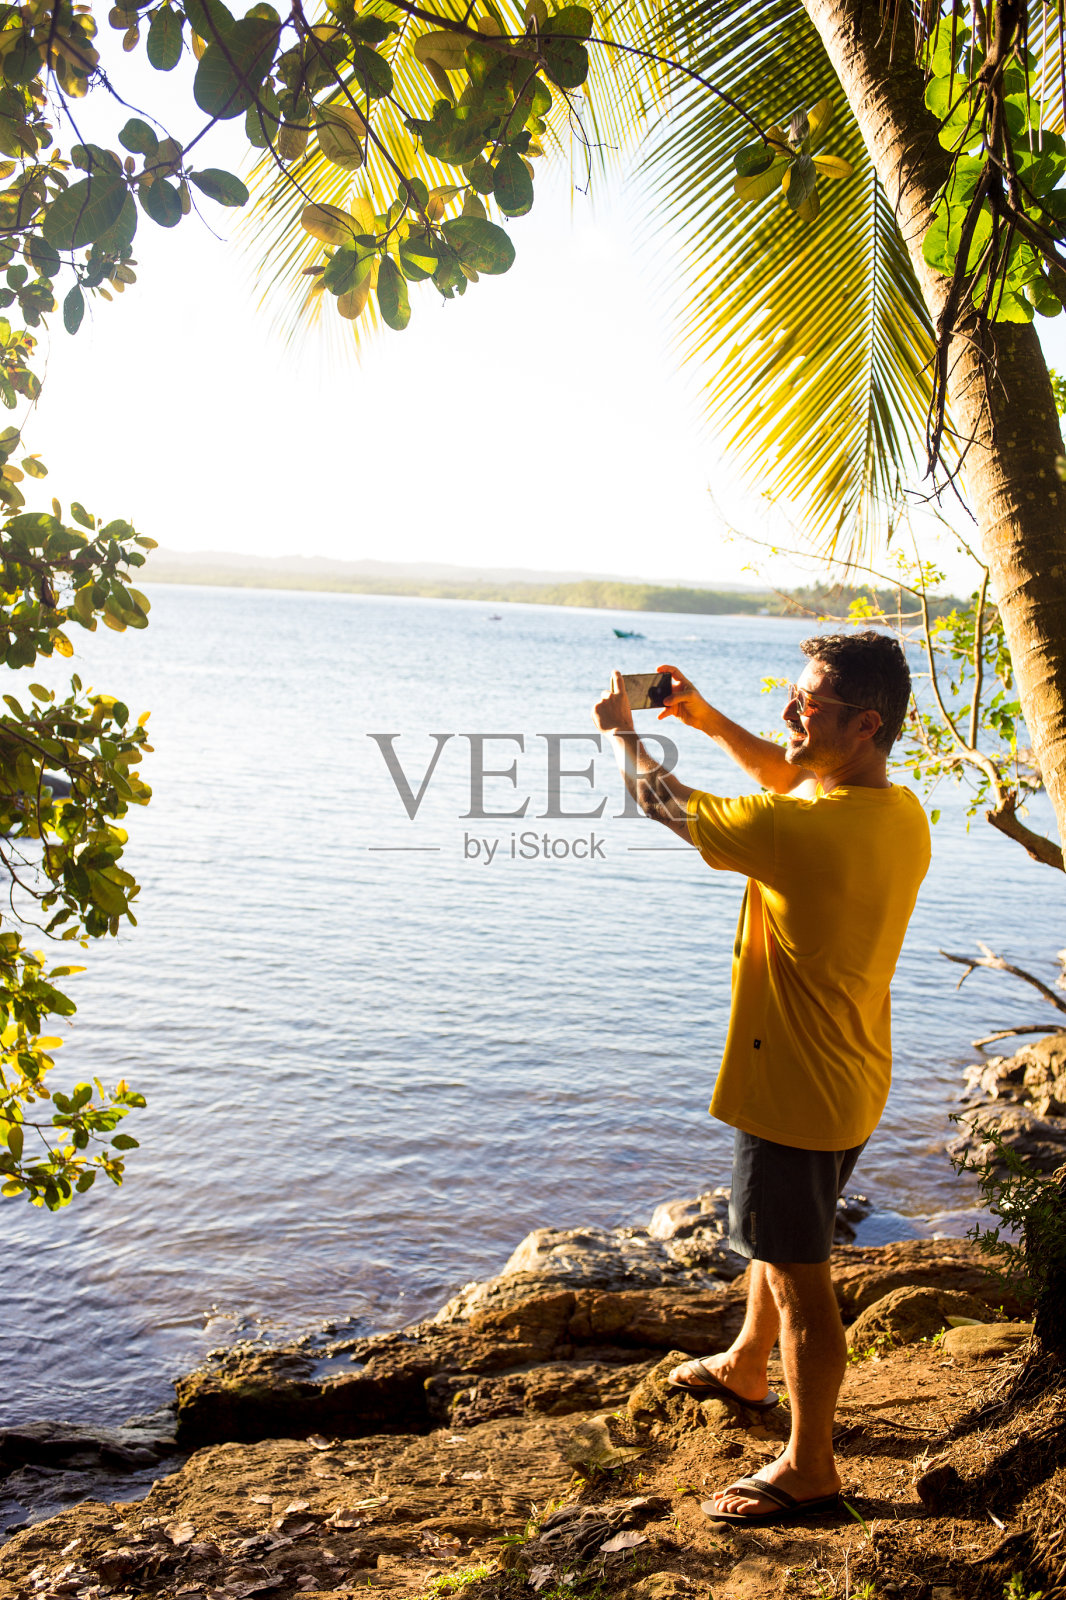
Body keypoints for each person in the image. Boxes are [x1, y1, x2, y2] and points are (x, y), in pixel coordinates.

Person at [591, 632, 930, 1527]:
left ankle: (812, 1466)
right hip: (851, 1076)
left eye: (806, 705)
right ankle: (747, 1364)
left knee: (796, 1275)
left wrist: (620, 736)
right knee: (778, 1240)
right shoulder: (898, 814)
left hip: (795, 1091)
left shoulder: (799, 832)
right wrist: (701, 717)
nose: (789, 712)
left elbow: (668, 804)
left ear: (863, 725)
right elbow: (789, 780)